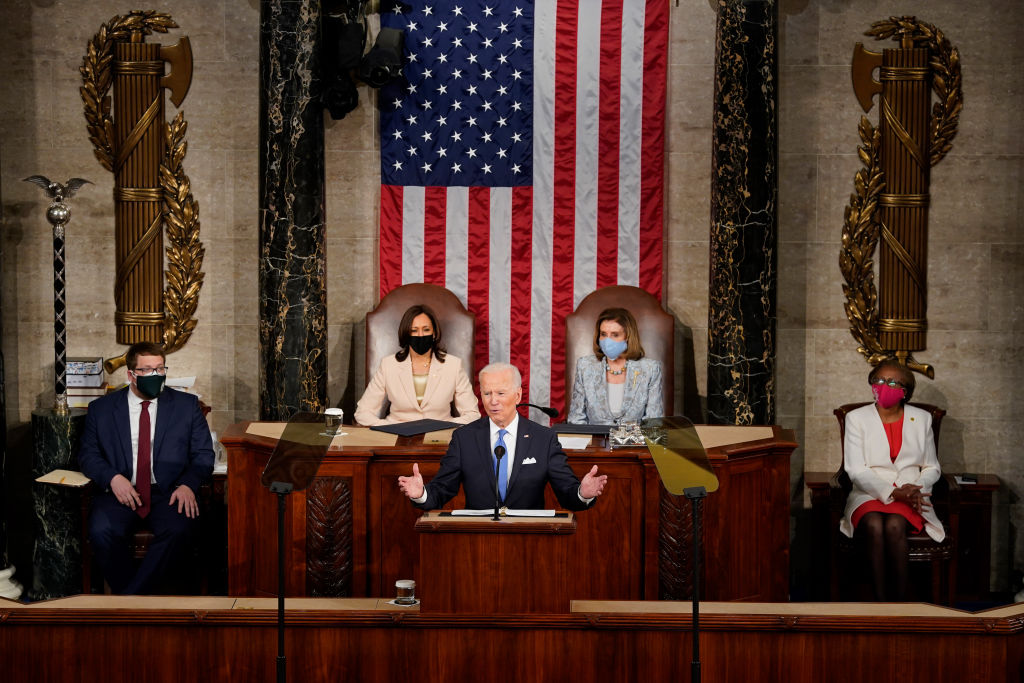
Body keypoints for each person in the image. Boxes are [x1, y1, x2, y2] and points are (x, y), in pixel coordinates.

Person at [78, 341, 214, 594]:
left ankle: (131, 601)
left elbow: (204, 455)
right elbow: (88, 455)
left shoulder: (186, 406)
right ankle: (139, 600)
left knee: (179, 530)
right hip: (120, 491)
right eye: (147, 370)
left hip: (169, 490)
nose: (156, 375)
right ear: (131, 374)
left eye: (160, 369)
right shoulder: (102, 409)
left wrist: (188, 485)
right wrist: (112, 478)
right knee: (101, 531)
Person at [398, 362, 607, 510]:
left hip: (530, 537)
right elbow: (442, 490)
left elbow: (567, 493)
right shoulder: (464, 438)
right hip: (477, 538)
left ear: (518, 395)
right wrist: (421, 494)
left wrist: (583, 493)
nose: (493, 401)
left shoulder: (543, 439)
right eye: (487, 393)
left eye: (500, 393)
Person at [839, 359, 944, 601]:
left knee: (895, 525)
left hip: (911, 493)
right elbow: (855, 469)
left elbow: (932, 466)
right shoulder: (856, 418)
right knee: (874, 525)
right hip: (868, 492)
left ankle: (899, 604)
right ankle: (879, 603)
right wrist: (893, 492)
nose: (884, 386)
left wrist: (915, 489)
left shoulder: (922, 418)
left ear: (905, 391)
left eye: (893, 382)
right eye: (879, 380)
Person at [355, 304, 480, 426]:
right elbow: (363, 412)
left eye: (426, 330)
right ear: (406, 334)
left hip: (439, 435)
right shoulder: (388, 365)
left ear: (434, 333)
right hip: (397, 435)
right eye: (414, 330)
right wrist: (387, 428)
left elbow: (472, 414)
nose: (420, 335)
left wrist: (445, 426)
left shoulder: (453, 365)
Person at [567, 307, 664, 424]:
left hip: (634, 436)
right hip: (594, 435)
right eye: (603, 334)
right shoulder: (585, 366)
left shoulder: (650, 369)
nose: (607, 341)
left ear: (628, 337)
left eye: (615, 335)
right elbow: (576, 419)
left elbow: (654, 423)